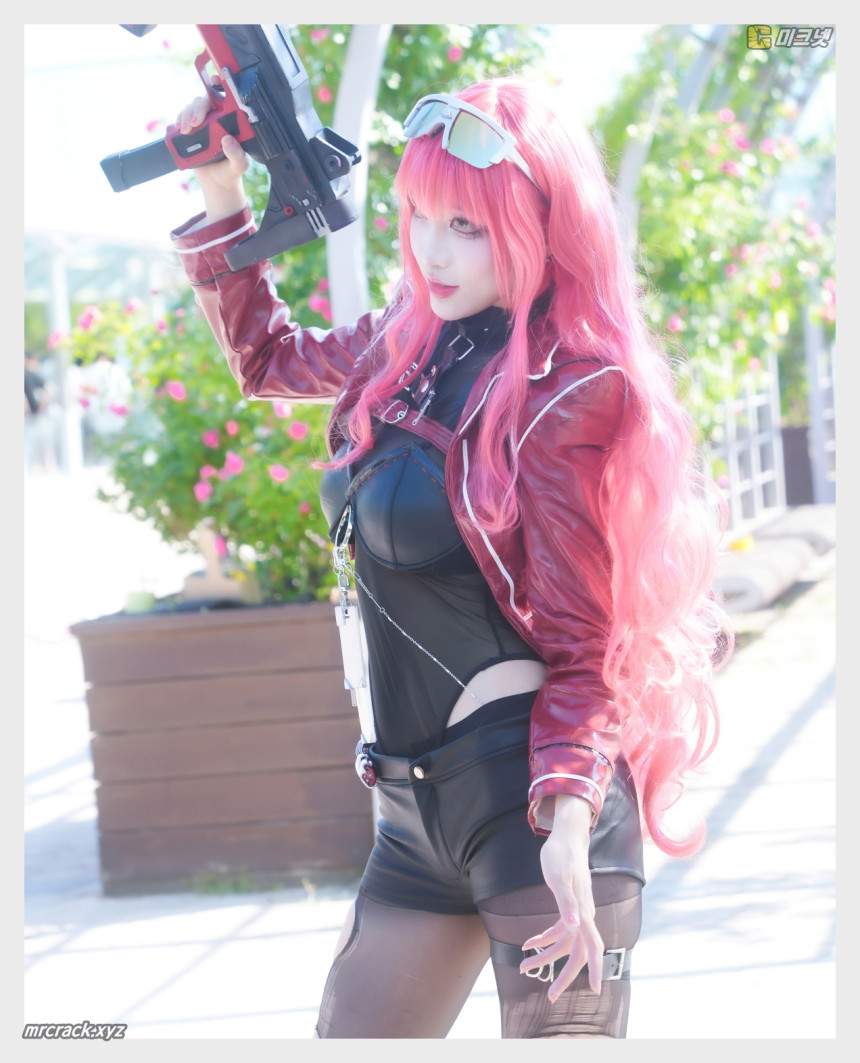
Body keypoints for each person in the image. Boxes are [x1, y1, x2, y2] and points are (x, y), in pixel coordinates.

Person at [169, 77, 731, 1038]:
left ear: (537, 222)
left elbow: (587, 643)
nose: (431, 250)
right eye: (421, 215)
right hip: (409, 808)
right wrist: (222, 193)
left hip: (535, 810)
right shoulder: (406, 341)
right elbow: (267, 360)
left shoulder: (567, 388)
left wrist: (566, 819)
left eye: (466, 226)